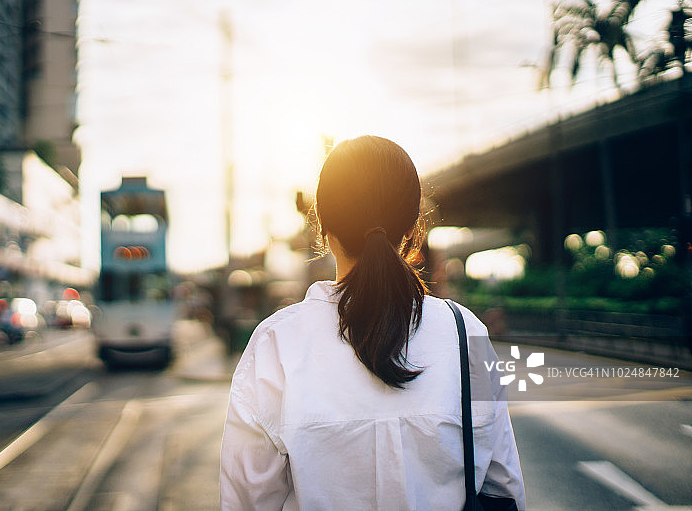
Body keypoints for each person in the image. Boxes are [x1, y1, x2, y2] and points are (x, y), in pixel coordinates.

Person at [220, 135, 525, 510]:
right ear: (413, 228)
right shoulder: (466, 332)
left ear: (322, 228)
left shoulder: (276, 344)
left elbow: (246, 502)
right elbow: (503, 488)